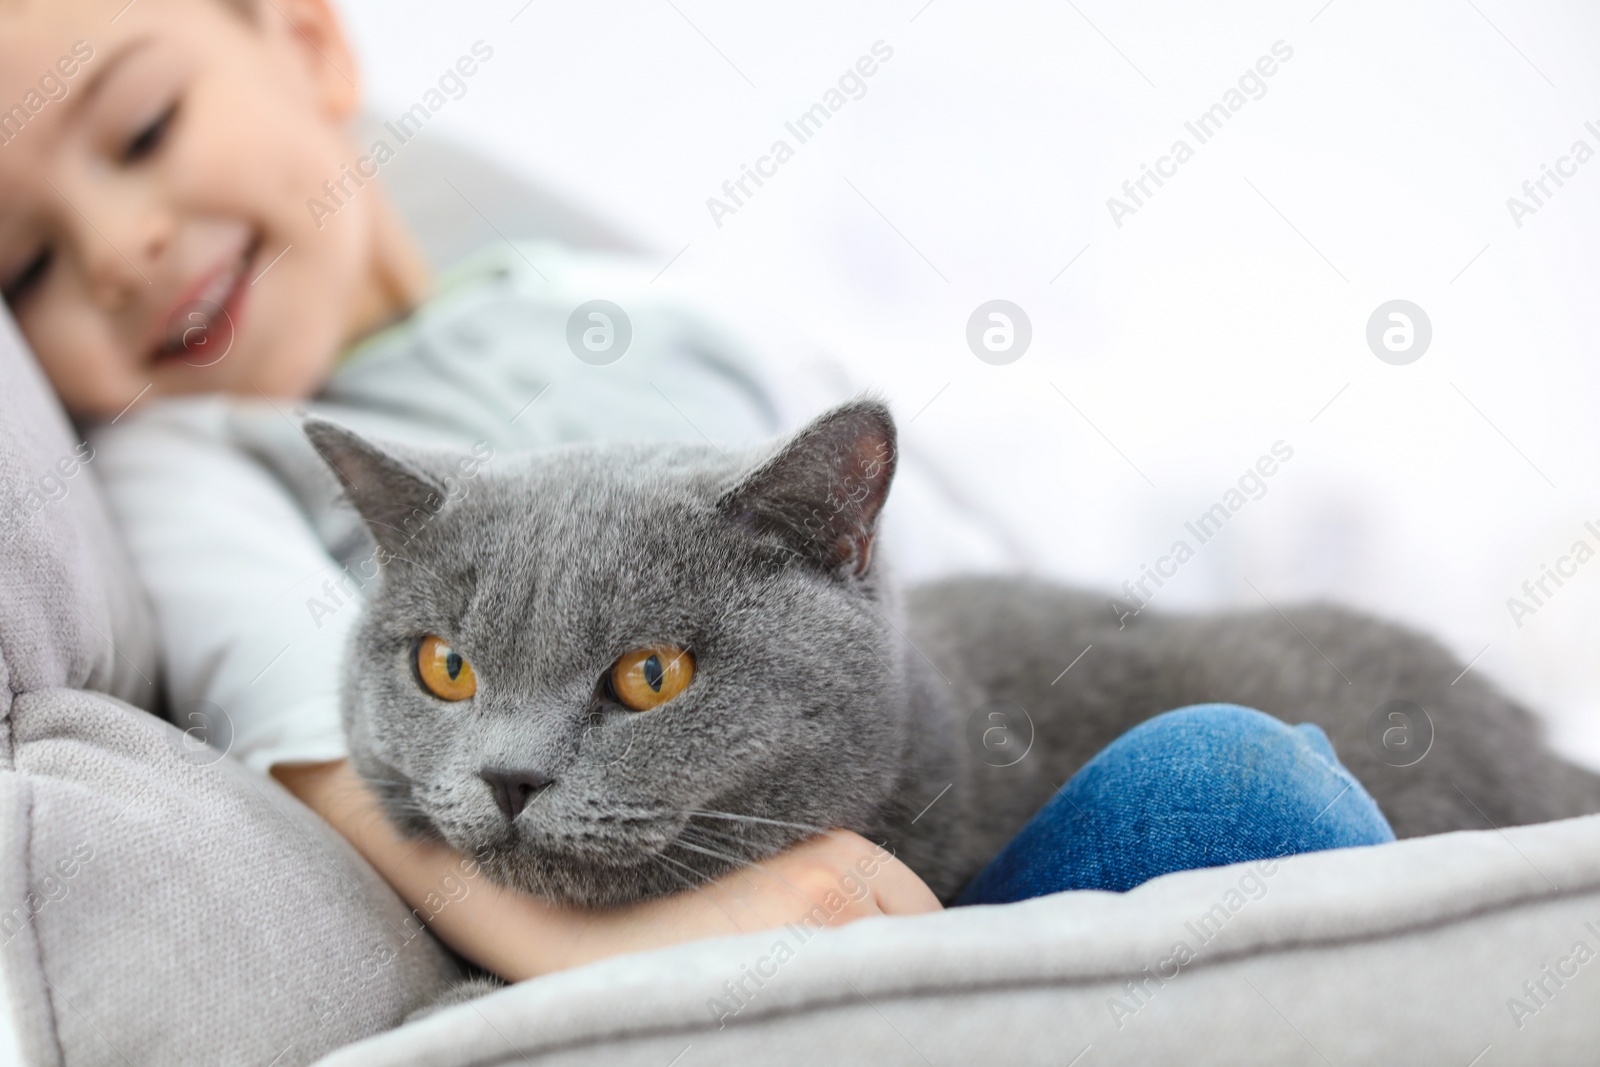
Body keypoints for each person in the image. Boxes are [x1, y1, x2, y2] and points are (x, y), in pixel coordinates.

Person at [0, 0, 1394, 986]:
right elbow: (308, 745)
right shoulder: (192, 459)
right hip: (762, 943)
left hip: (966, 812)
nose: (123, 247)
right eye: (26, 271)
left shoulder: (644, 303)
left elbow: (946, 567)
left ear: (306, 37)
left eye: (141, 130)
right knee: (1227, 793)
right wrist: (614, 941)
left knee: (1256, 728)